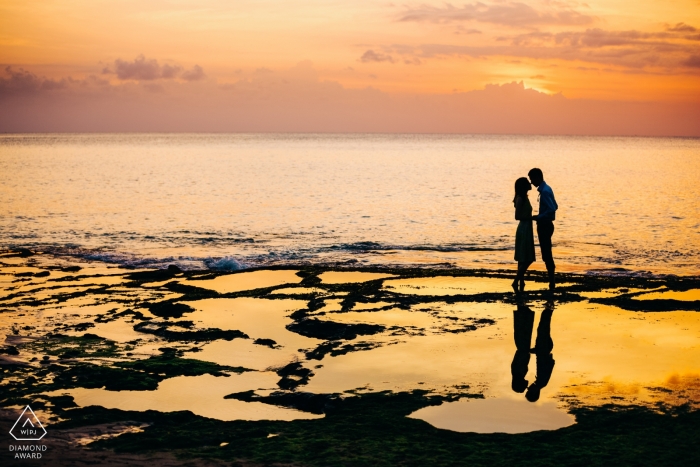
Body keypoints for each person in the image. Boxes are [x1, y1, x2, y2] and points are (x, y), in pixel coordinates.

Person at [528, 168, 558, 290]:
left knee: (546, 254)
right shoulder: (547, 189)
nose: (531, 182)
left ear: (537, 178)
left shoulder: (544, 192)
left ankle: (552, 281)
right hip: (547, 224)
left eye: (532, 179)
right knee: (547, 253)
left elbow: (552, 209)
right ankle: (551, 279)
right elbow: (555, 205)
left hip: (545, 225)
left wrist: (539, 217)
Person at [512, 177, 536, 292]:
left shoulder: (524, 197)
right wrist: (531, 217)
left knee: (522, 258)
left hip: (526, 228)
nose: (530, 183)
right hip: (524, 228)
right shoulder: (521, 198)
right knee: (528, 258)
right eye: (527, 182)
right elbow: (517, 216)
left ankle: (521, 281)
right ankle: (516, 281)